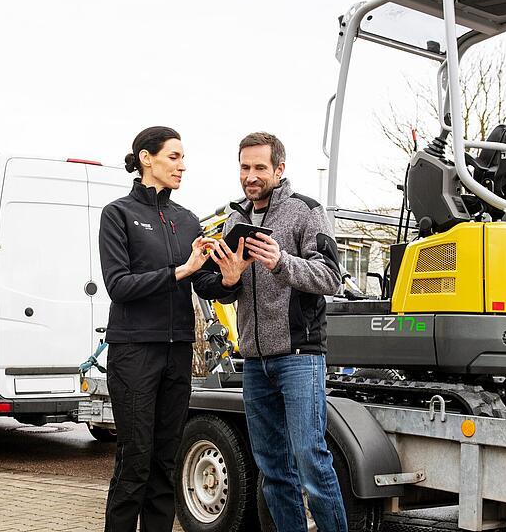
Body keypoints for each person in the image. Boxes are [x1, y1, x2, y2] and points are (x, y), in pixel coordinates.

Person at [98, 126, 238, 532]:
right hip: (134, 352)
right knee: (135, 460)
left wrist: (229, 279)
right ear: (147, 158)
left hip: (178, 353)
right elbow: (118, 285)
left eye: (183, 157)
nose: (182, 165)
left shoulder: (186, 219)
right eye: (174, 156)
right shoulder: (118, 214)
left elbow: (205, 283)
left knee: (166, 461)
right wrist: (181, 270)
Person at [209, 131, 347, 532]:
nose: (250, 176)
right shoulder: (235, 218)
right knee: (273, 471)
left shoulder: (306, 212)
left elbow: (331, 277)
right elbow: (232, 291)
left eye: (259, 168)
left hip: (299, 357)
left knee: (311, 460)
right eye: (244, 167)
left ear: (279, 169)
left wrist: (281, 262)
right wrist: (229, 280)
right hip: (254, 361)